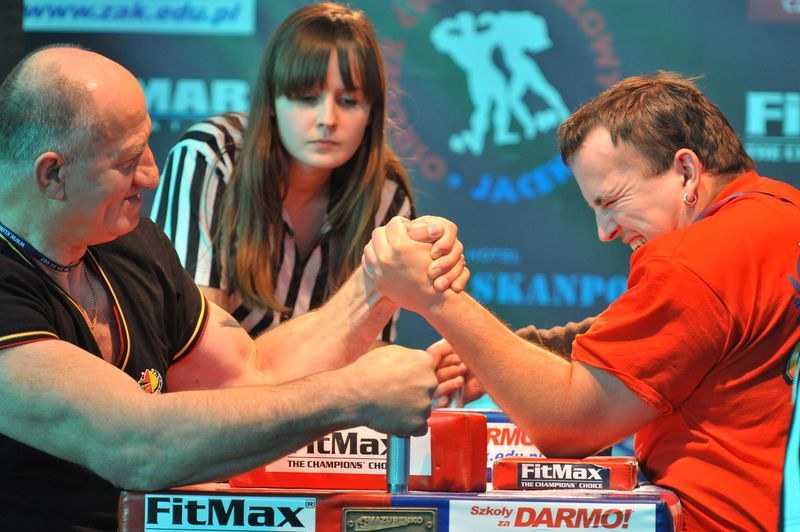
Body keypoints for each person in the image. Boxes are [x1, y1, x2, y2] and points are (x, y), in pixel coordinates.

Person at [0, 45, 468, 530]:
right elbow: (139, 445)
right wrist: (352, 393)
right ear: (52, 174)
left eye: (146, 146)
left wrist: (378, 284)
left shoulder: (129, 244)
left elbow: (252, 374)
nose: (152, 175)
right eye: (127, 160)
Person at [363, 72, 800, 530]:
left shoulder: (691, 260)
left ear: (686, 171)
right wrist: (498, 355)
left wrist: (437, 296)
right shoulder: (781, 213)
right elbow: (653, 338)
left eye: (610, 201)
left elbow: (568, 427)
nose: (605, 231)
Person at [150, 2, 435, 344]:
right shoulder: (210, 157)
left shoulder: (386, 194)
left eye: (348, 101)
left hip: (324, 382)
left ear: (372, 112)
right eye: (307, 98)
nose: (327, 119)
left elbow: (370, 351)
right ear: (272, 102)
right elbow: (195, 346)